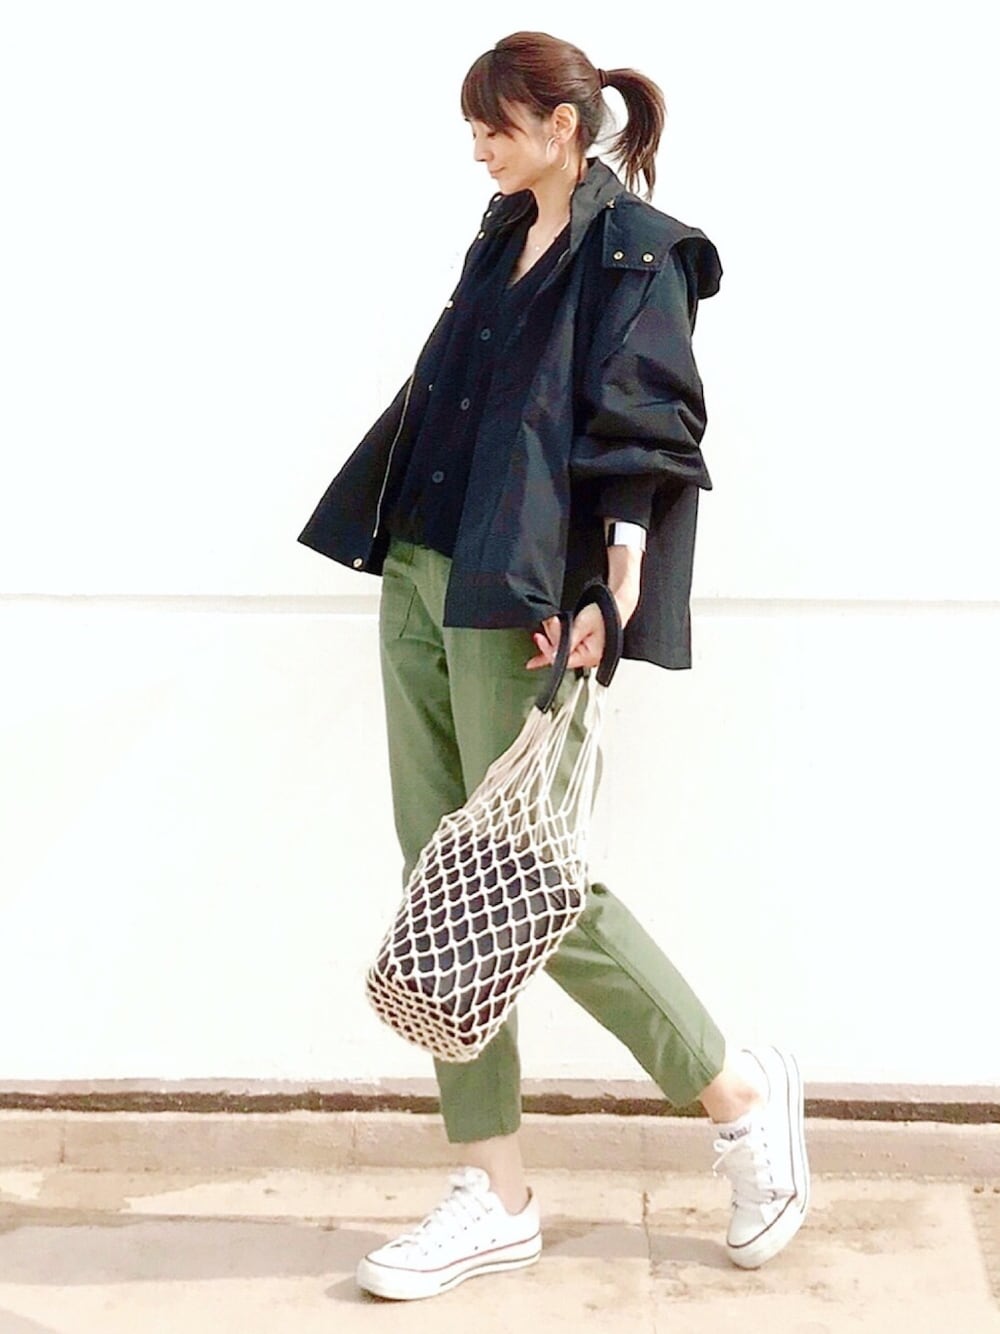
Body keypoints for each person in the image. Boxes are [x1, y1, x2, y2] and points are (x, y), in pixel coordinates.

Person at [297, 30, 809, 1303]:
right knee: (440, 881)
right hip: (420, 567)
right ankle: (495, 1189)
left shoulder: (640, 250)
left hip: (514, 594)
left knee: (522, 876)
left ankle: (736, 1092)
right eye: (474, 126)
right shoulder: (498, 232)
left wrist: (608, 581)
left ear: (562, 123)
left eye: (496, 124)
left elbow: (644, 421)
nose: (477, 145)